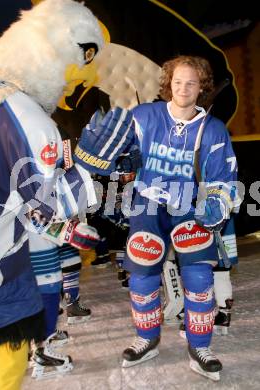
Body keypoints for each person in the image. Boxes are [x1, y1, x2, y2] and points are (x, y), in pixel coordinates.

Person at [0, 0, 135, 388]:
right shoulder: (30, 120)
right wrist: (87, 168)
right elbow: (46, 207)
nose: (76, 80)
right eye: (80, 64)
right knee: (16, 329)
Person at [121, 55, 239, 381]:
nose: (183, 88)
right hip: (148, 202)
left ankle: (200, 346)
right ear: (168, 84)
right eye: (177, 82)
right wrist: (114, 160)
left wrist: (217, 202)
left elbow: (223, 180)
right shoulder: (143, 116)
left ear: (201, 87)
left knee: (200, 277)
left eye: (191, 83)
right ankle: (147, 338)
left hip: (189, 206)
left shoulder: (212, 130)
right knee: (142, 275)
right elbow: (118, 154)